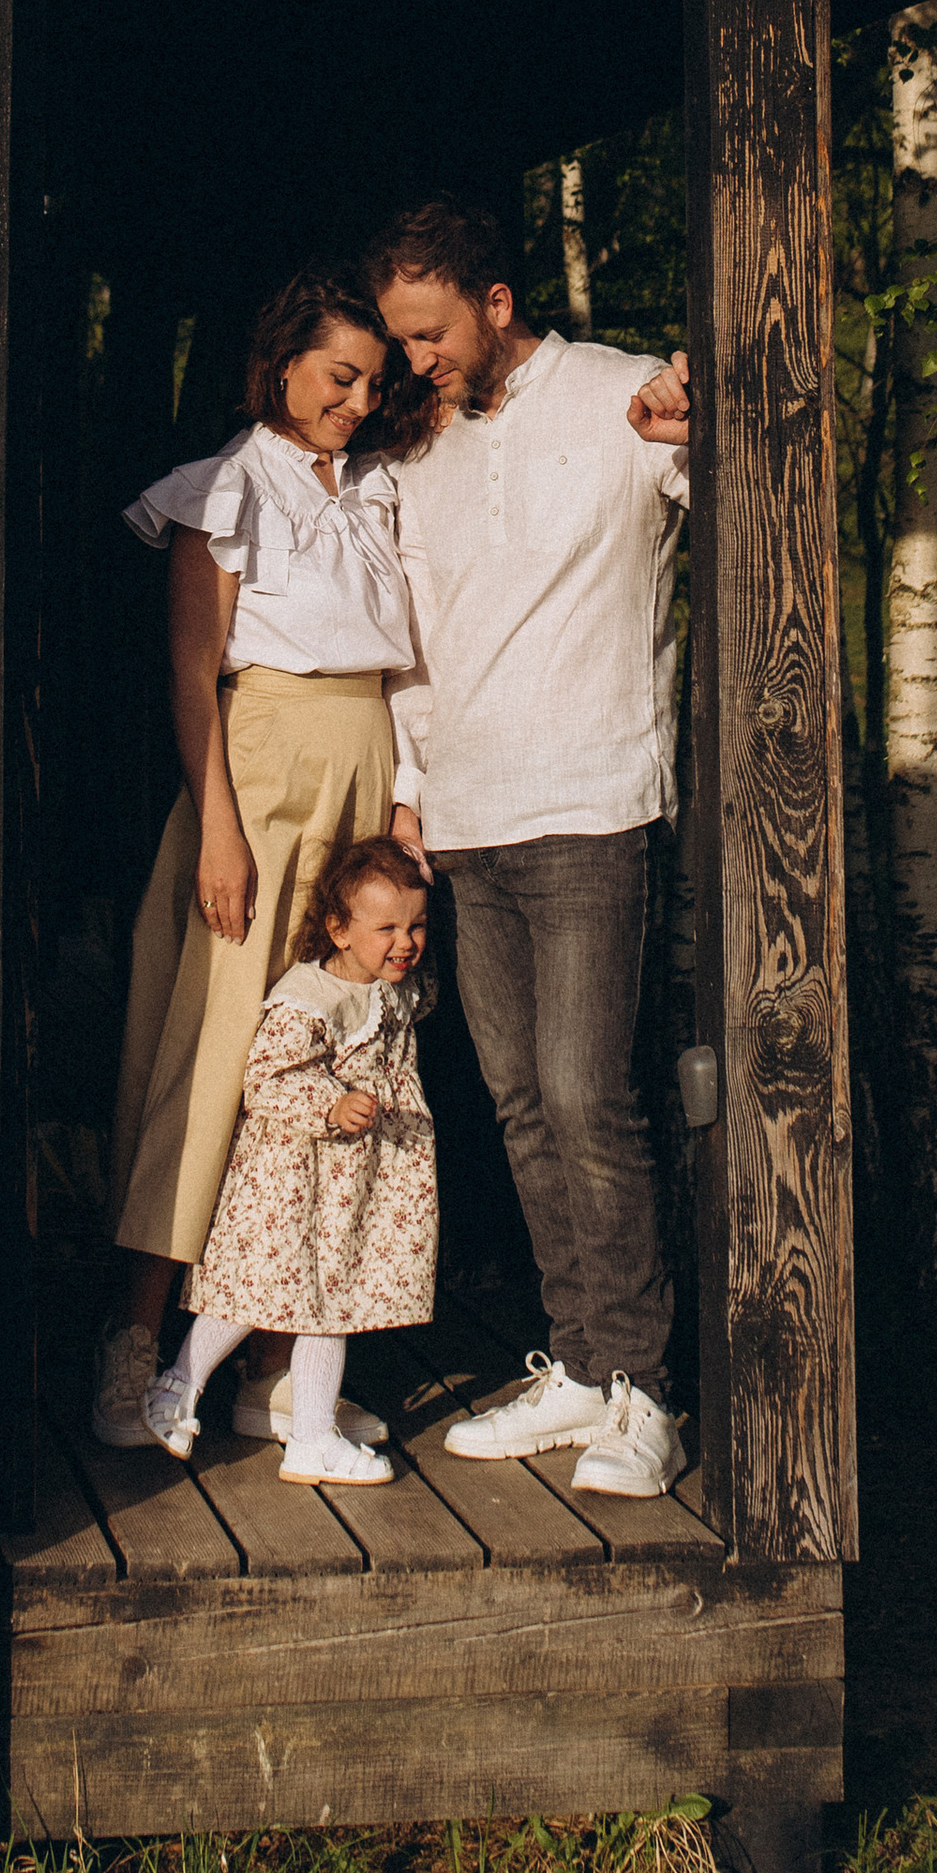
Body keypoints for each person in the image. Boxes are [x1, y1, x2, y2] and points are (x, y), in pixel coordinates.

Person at [370, 193, 694, 1500]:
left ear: (495, 304)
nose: (415, 360)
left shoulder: (621, 397)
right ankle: (581, 1365)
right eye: (401, 339)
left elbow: (735, 491)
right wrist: (410, 792)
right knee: (516, 1101)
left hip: (591, 803)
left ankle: (645, 1390)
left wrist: (704, 428)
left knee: (585, 1096)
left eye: (431, 333)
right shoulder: (419, 449)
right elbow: (412, 642)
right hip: (466, 820)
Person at [89, 269, 429, 1454]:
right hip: (263, 776)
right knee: (217, 1048)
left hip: (363, 768)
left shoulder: (382, 489)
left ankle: (280, 1369)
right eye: (339, 376)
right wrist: (220, 829)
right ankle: (135, 1345)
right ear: (282, 363)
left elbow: (407, 667)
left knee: (338, 1050)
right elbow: (193, 676)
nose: (357, 402)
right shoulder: (224, 489)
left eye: (373, 384)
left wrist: (404, 799)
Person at [144, 832, 437, 1488]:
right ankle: (179, 1386)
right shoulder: (310, 996)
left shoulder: (393, 989)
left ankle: (310, 1436)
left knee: (334, 1304)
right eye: (387, 928)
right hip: (294, 1180)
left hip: (351, 1190)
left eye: (416, 926)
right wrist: (331, 1103)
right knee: (256, 1290)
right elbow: (269, 1077)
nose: (405, 943)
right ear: (338, 929)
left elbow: (416, 1006)